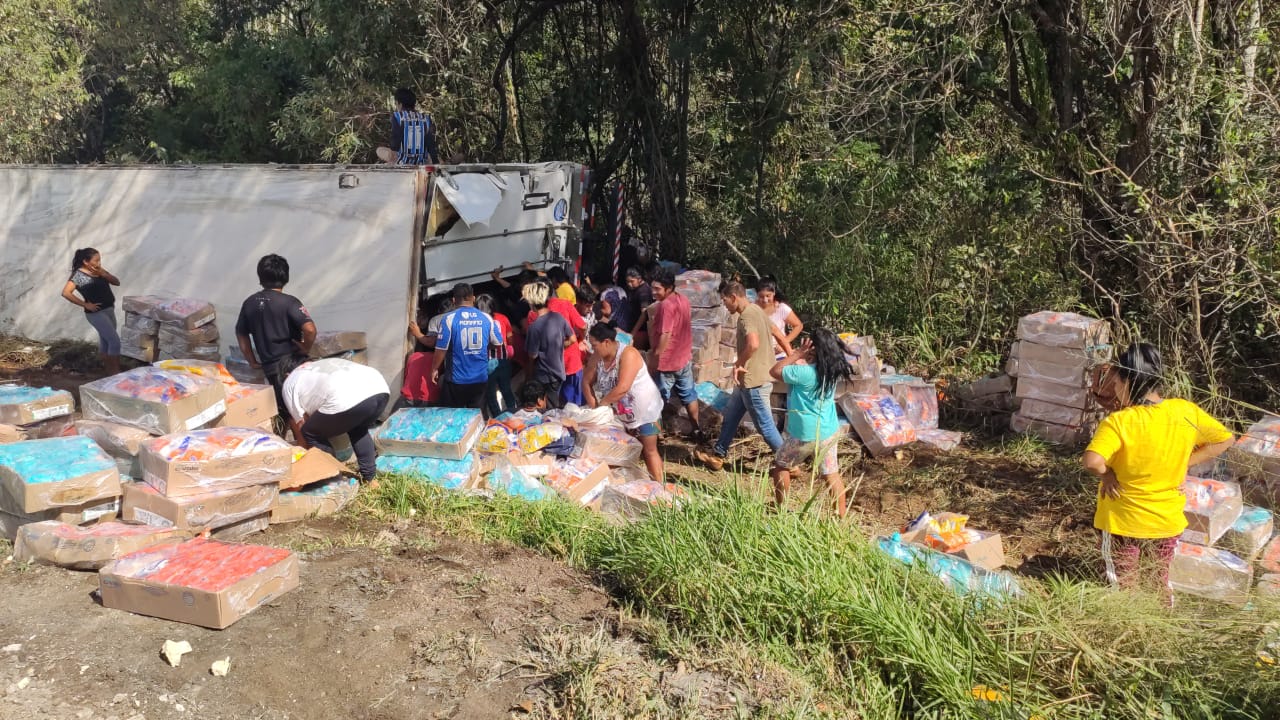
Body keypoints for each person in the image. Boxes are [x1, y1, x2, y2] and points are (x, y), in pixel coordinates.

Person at [1082, 343, 1235, 596]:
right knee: (1159, 580)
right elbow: (1225, 439)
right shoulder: (1185, 411)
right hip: (1167, 520)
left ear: (1127, 381)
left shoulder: (1120, 422)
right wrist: (1186, 462)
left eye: (1117, 384)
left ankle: (1127, 625)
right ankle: (1162, 617)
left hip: (1123, 520)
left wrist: (1107, 475)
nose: (1116, 390)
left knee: (1123, 583)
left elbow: (1092, 461)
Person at [695, 282, 785, 470]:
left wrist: (738, 363)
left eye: (725, 301)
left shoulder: (746, 316)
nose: (725, 305)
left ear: (734, 297)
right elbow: (776, 331)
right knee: (731, 416)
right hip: (750, 380)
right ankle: (719, 454)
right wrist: (793, 355)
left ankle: (789, 463)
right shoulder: (757, 310)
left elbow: (753, 344)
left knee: (765, 427)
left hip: (754, 381)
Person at [769, 329, 854, 517]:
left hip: (803, 433)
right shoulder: (833, 371)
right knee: (831, 474)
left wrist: (797, 354)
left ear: (813, 349)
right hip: (828, 430)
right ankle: (840, 517)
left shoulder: (803, 373)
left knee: (782, 465)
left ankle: (781, 508)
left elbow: (774, 371)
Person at [236, 254, 317, 434]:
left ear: (260, 277)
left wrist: (251, 360)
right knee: (297, 411)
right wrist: (306, 348)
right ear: (285, 277)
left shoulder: (249, 303)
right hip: (293, 364)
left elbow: (241, 334)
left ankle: (287, 445)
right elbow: (310, 330)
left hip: (272, 367)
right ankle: (307, 451)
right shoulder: (290, 302)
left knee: (283, 409)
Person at [281, 358, 390, 487]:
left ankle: (333, 480)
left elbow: (302, 424)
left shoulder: (290, 382)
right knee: (358, 429)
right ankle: (370, 479)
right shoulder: (319, 365)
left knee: (310, 432)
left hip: (345, 398)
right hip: (380, 389)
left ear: (286, 375)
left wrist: (301, 461)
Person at [584, 323, 665, 482]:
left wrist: (602, 405)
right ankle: (628, 484)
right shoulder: (597, 357)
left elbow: (623, 387)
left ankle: (660, 490)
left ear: (606, 342)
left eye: (595, 346)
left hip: (645, 409)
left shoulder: (628, 354)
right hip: (621, 411)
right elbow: (586, 382)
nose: (593, 350)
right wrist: (594, 408)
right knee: (622, 449)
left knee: (649, 451)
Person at [648, 269, 704, 439]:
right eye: (653, 288)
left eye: (657, 289)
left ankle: (654, 435)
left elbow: (665, 334)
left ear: (669, 288)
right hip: (684, 358)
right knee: (689, 395)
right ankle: (697, 429)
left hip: (667, 362)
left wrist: (656, 355)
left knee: (656, 398)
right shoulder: (683, 300)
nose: (653, 292)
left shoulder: (665, 306)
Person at [432, 283, 503, 410]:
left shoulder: (449, 319)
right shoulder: (486, 317)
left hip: (456, 380)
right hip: (480, 378)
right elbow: (498, 343)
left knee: (452, 417)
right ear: (473, 298)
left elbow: (441, 349)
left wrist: (434, 368)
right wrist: (484, 347)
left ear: (454, 300)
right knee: (477, 417)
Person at [525, 280, 588, 405]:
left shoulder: (533, 316)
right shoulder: (564, 306)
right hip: (569, 363)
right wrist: (582, 340)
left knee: (552, 407)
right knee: (574, 406)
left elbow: (532, 354)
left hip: (548, 369)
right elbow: (583, 327)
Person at [61, 248, 121, 375]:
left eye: (99, 260)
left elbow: (116, 282)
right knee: (114, 341)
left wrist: (103, 274)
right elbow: (66, 293)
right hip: (96, 313)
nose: (99, 263)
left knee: (106, 342)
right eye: (96, 260)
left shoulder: (98, 271)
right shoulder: (81, 276)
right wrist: (85, 304)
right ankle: (116, 374)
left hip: (109, 309)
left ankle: (108, 372)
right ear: (86, 262)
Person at [375, 87, 440, 165]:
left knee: (379, 150)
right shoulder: (426, 118)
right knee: (429, 155)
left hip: (402, 161)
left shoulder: (397, 116)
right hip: (420, 161)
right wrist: (435, 162)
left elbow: (395, 144)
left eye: (396, 104)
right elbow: (431, 145)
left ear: (400, 104)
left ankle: (394, 163)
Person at [476, 293, 516, 416]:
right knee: (506, 389)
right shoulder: (503, 318)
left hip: (486, 363)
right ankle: (513, 413)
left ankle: (498, 418)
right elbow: (510, 339)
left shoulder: (477, 322)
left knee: (490, 393)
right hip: (503, 359)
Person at [757, 279, 804, 357]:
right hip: (760, 354)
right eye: (761, 296)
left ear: (774, 293)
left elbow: (798, 326)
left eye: (768, 296)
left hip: (779, 354)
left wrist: (784, 342)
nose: (765, 300)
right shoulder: (753, 308)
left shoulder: (781, 308)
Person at [623, 267, 654, 349]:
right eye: (627, 281)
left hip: (640, 331)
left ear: (639, 279)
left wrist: (633, 333)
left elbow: (644, 313)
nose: (629, 284)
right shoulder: (635, 289)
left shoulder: (643, 292)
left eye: (632, 281)